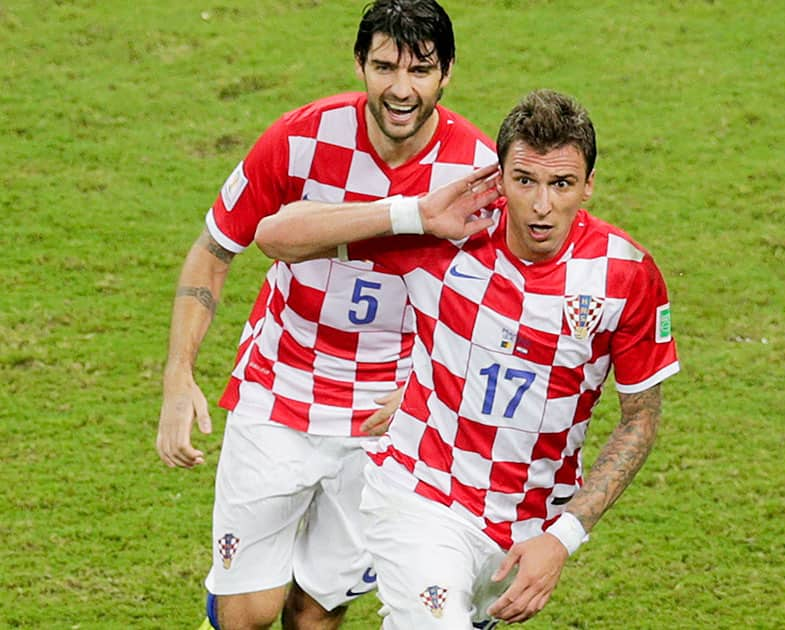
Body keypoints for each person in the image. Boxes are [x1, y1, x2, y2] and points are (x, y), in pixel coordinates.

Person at [255, 89, 680, 628]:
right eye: (524, 180)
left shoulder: (625, 274)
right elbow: (275, 237)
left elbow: (640, 419)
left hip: (525, 524)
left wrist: (563, 537)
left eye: (562, 184)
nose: (542, 204)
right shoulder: (449, 231)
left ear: (589, 186)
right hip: (420, 492)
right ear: (499, 177)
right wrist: (412, 213)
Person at [155, 1, 499, 628]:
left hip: (385, 414)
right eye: (384, 66)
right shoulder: (301, 137)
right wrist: (178, 375)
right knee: (246, 614)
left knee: (315, 614)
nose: (400, 88)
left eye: (420, 70)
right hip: (280, 385)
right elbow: (216, 248)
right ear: (360, 64)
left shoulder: (477, 172)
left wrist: (429, 387)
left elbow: (492, 309)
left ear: (446, 72)